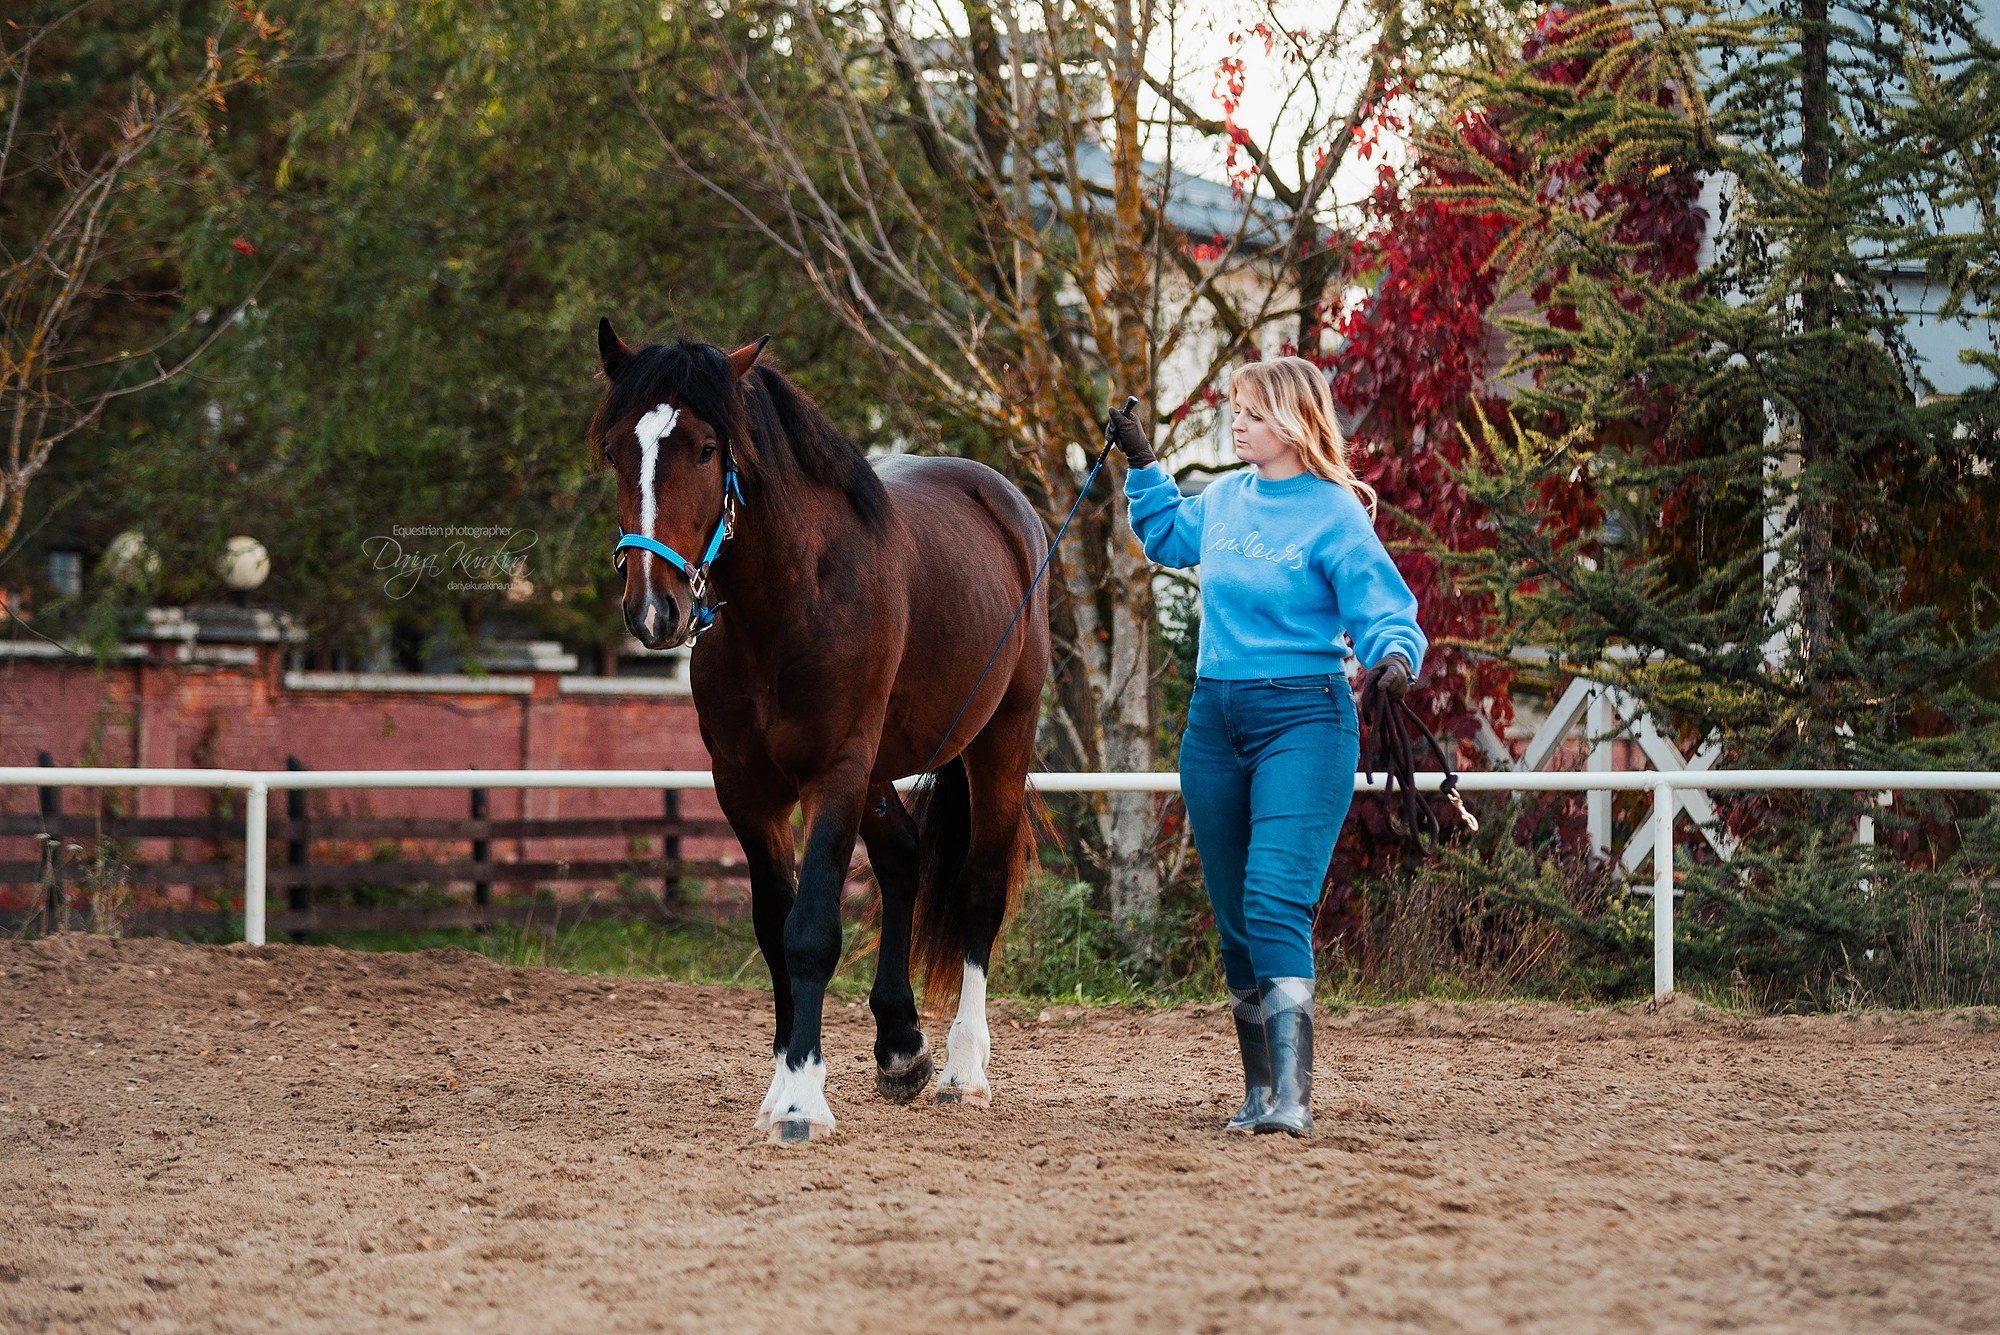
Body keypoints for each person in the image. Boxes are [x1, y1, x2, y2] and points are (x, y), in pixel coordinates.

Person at [1107, 358, 1425, 1137]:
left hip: (1305, 721)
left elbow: (1386, 605)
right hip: (1215, 723)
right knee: (1235, 918)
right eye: (1235, 411)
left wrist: (1394, 656)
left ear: (1291, 422)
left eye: (1249, 412)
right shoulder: (1223, 501)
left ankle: (1292, 1098)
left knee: (1273, 897)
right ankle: (1257, 1091)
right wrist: (1144, 463)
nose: (1236, 423)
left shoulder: (1334, 514)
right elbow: (1165, 536)